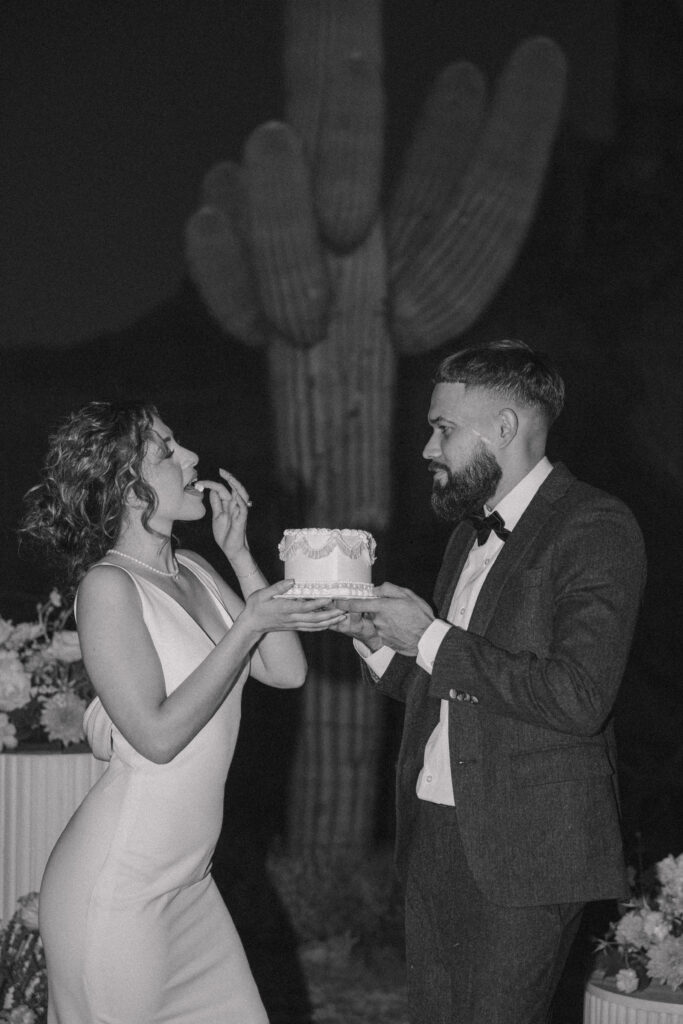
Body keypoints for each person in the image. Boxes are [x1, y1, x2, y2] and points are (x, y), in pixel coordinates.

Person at [333, 340, 646, 1024]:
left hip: (528, 849)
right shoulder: (464, 537)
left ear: (504, 428)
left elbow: (577, 698)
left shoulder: (594, 525)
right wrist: (376, 641)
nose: (426, 447)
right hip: (435, 835)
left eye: (442, 427)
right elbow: (454, 687)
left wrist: (430, 637)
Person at [20, 400, 344, 1024]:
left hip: (191, 888)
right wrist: (248, 622)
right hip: (118, 893)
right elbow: (157, 737)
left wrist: (240, 554)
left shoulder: (194, 567)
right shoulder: (108, 586)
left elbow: (286, 670)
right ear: (124, 483)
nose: (191, 457)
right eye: (167, 451)